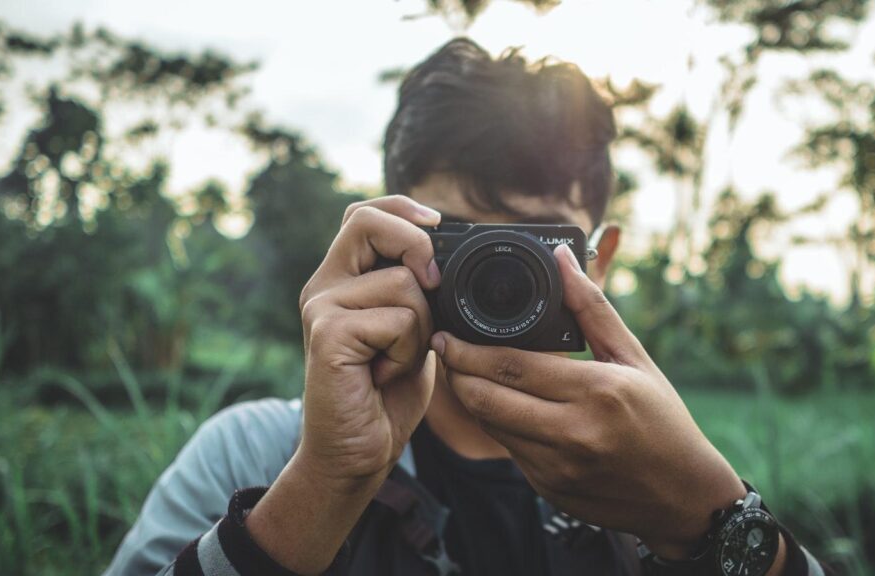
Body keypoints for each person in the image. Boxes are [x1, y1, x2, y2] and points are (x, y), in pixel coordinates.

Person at [104, 38, 826, 576]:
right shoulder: (257, 455)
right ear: (388, 236)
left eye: (530, 249)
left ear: (596, 263)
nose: (494, 280)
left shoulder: (650, 467)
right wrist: (323, 483)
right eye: (458, 242)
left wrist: (705, 517)